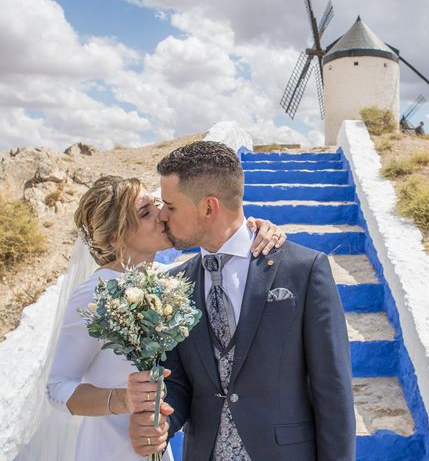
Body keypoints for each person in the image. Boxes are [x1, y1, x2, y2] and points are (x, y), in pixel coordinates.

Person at [127, 141, 356, 460]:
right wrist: (160, 424)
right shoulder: (174, 283)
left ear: (209, 207)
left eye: (171, 206)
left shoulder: (303, 269)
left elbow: (334, 393)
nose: (163, 215)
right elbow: (179, 383)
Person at [39, 175, 285, 461]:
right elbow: (57, 387)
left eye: (156, 204)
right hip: (108, 449)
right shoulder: (96, 293)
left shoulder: (167, 282)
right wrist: (123, 399)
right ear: (115, 237)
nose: (161, 215)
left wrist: (255, 232)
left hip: (156, 442)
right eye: (145, 213)